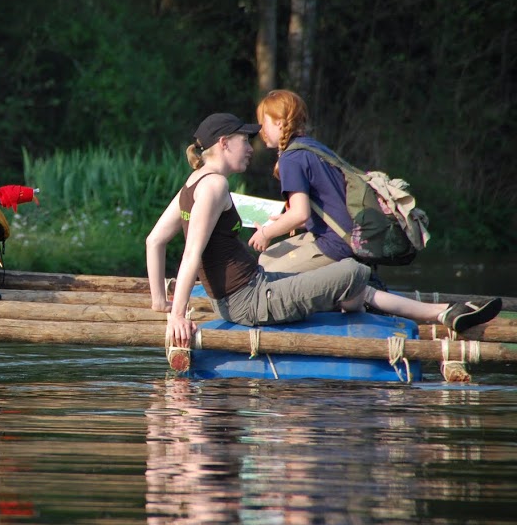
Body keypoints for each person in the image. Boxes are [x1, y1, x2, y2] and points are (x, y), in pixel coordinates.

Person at [145, 112, 501, 351]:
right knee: (355, 270)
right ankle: (433, 313)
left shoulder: (194, 183)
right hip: (250, 300)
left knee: (353, 289)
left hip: (249, 289)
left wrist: (160, 301)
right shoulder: (215, 185)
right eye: (244, 140)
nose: (251, 148)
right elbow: (191, 253)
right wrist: (176, 315)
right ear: (224, 143)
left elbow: (154, 240)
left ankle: (442, 313)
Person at [247, 89, 351, 273]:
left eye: (263, 123)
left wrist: (265, 233)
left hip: (337, 242)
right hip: (344, 234)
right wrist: (285, 221)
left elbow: (300, 213)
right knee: (266, 258)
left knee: (269, 274)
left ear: (279, 123)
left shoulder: (291, 158)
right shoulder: (312, 146)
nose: (261, 130)